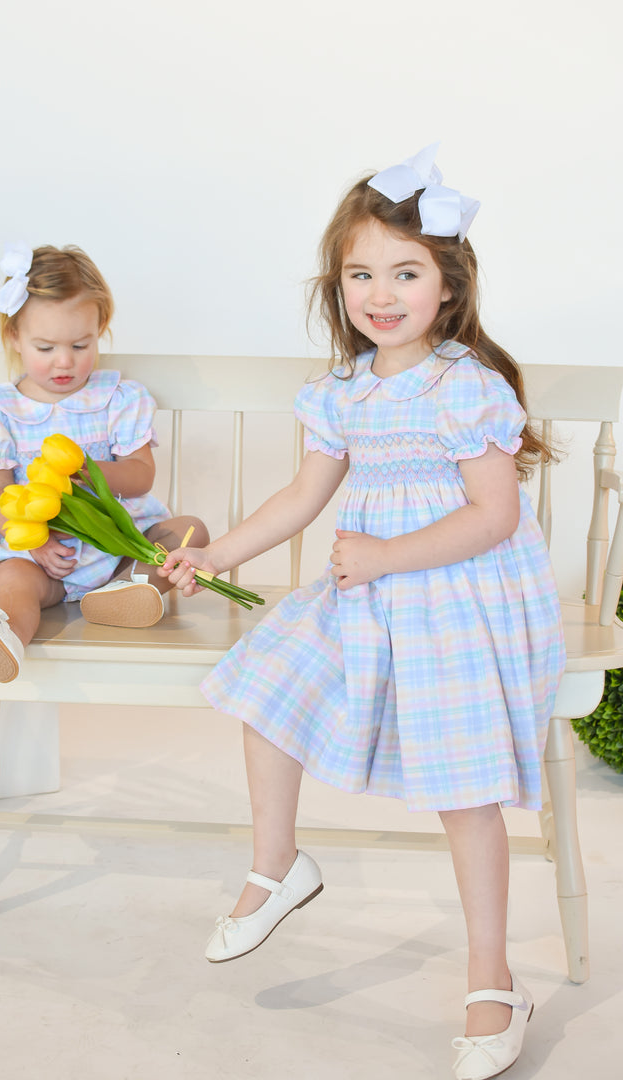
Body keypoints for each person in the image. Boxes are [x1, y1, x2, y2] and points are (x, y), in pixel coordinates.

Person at [159, 146, 565, 1080]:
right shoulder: (343, 391)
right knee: (267, 679)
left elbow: (494, 517)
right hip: (367, 597)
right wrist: (213, 553)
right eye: (360, 273)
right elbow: (303, 498)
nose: (381, 293)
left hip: (459, 598)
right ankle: (277, 867)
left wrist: (384, 554)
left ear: (449, 285)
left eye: (406, 271)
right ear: (336, 283)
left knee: (464, 793)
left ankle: (492, 978)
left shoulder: (465, 387)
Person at [0, 243, 208, 684]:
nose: (64, 361)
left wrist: (89, 470)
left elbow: (141, 476)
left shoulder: (119, 399)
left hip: (120, 547)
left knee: (188, 530)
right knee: (14, 579)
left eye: (80, 345)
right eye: (45, 347)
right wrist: (31, 543)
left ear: (100, 328)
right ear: (14, 338)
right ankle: (4, 634)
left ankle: (129, 593)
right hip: (42, 561)